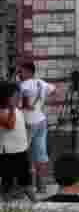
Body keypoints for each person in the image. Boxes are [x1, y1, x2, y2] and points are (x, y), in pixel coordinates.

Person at [17, 62, 55, 194]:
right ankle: (42, 186)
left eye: (21, 71)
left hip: (27, 122)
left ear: (28, 71)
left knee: (21, 153)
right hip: (41, 120)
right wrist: (41, 104)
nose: (19, 74)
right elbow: (54, 90)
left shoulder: (23, 85)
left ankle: (27, 186)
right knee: (40, 154)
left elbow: (20, 102)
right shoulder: (41, 83)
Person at [0, 80, 34, 201]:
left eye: (18, 95)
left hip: (21, 149)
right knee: (7, 178)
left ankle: (31, 196)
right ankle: (6, 199)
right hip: (8, 151)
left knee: (25, 176)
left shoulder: (16, 109)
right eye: (15, 95)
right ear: (6, 97)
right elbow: (10, 125)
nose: (17, 97)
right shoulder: (2, 112)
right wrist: (11, 109)